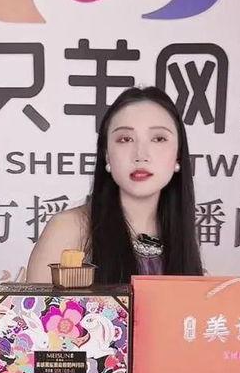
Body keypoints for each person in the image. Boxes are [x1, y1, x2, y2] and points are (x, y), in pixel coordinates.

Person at [26, 86, 202, 284]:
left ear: (178, 154)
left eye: (158, 138)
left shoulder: (182, 238)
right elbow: (34, 304)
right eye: (125, 139)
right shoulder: (68, 230)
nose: (141, 155)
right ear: (107, 155)